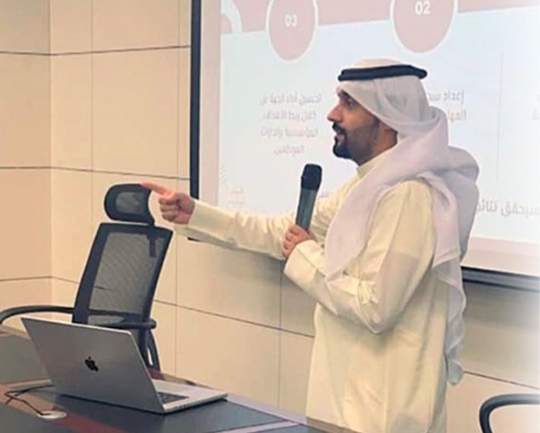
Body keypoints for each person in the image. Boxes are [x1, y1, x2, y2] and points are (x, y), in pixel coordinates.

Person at [143, 58, 479, 433]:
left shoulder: (409, 196)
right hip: (349, 404)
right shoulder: (368, 187)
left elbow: (375, 308)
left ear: (386, 119)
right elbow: (284, 231)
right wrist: (197, 215)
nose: (332, 115)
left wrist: (306, 253)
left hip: (386, 415)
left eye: (348, 104)